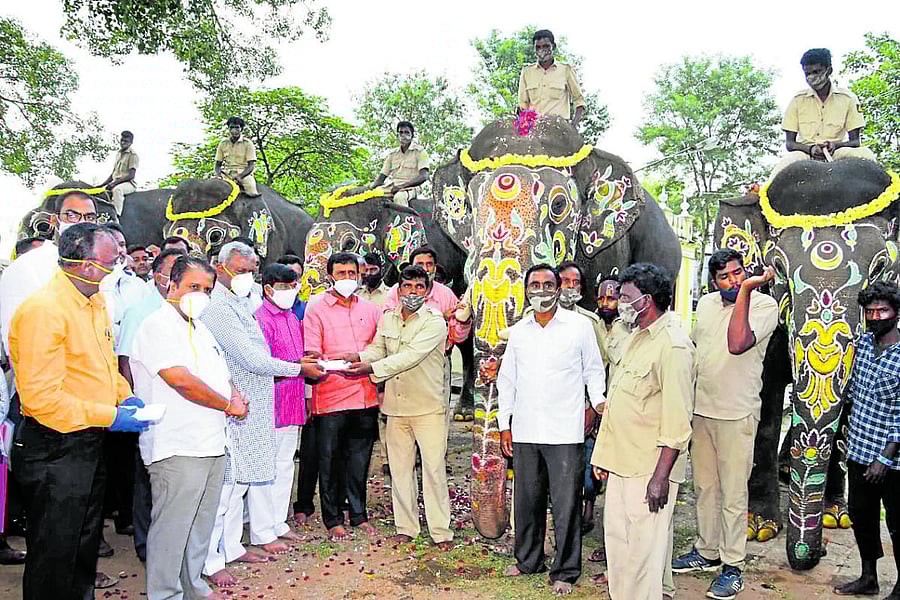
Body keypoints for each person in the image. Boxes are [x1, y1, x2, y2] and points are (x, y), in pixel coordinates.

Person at [9, 223, 151, 600]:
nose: (120, 265)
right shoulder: (44, 311)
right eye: (113, 260)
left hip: (87, 440)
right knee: (56, 549)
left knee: (83, 542)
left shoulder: (95, 302)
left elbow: (102, 364)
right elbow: (42, 400)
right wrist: (110, 415)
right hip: (53, 446)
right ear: (87, 265)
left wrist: (125, 397)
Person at [201, 242, 321, 587]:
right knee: (227, 488)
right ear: (220, 268)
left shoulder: (243, 299)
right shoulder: (216, 307)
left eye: (252, 270)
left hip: (254, 402)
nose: (248, 277)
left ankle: (233, 547)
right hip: (235, 403)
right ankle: (213, 559)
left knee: (241, 481)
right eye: (241, 271)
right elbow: (249, 357)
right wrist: (298, 369)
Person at [131, 255, 248, 600]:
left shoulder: (200, 327)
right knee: (172, 527)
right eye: (193, 286)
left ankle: (193, 587)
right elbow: (181, 380)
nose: (200, 294)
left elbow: (220, 374)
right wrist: (229, 404)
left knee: (199, 526)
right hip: (176, 444)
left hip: (211, 442)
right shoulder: (157, 325)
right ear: (172, 283)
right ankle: (165, 594)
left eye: (207, 289)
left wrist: (235, 395)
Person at [672, 250, 778, 600]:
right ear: (713, 281)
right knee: (704, 487)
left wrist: (747, 290)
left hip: (738, 413)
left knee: (733, 493)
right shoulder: (704, 304)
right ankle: (706, 551)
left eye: (739, 273)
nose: (733, 280)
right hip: (702, 410)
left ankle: (733, 565)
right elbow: (697, 352)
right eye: (725, 277)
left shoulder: (763, 306)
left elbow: (737, 344)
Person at [497, 263, 606, 595]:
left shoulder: (579, 327)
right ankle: (529, 560)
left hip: (565, 432)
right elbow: (508, 381)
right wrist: (505, 426)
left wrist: (597, 406)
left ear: (559, 289)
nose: (541, 290)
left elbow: (594, 371)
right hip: (527, 430)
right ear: (526, 290)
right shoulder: (519, 332)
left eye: (548, 284)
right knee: (527, 501)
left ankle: (566, 570)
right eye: (535, 285)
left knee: (565, 505)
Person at [592, 263, 694, 600]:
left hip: (648, 470)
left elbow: (678, 423)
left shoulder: (674, 346)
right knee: (619, 550)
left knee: (642, 559)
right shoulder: (636, 335)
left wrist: (660, 478)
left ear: (646, 300)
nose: (619, 302)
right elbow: (621, 400)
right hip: (622, 462)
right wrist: (602, 455)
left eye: (625, 296)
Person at [341, 265, 455, 549]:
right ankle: (407, 527)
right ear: (399, 289)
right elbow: (378, 348)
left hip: (428, 407)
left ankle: (441, 532)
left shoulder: (435, 321)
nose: (412, 292)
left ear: (427, 291)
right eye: (407, 287)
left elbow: (409, 357)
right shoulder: (388, 318)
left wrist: (370, 367)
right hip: (394, 408)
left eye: (419, 287)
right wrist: (357, 356)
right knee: (400, 470)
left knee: (433, 470)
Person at [302, 252, 382, 541]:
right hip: (331, 394)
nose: (347, 278)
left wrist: (365, 362)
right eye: (341, 273)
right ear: (330, 276)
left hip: (365, 396)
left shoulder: (372, 309)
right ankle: (333, 518)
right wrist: (321, 364)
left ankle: (359, 515)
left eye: (352, 273)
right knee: (331, 461)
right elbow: (311, 352)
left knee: (359, 461)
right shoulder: (316, 308)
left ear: (360, 275)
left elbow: (379, 347)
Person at [116, 247, 186, 562]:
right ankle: (147, 546)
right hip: (149, 406)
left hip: (179, 407)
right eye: (172, 273)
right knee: (146, 477)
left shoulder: (182, 309)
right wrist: (134, 401)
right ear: (158, 276)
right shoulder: (142, 308)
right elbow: (125, 358)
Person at [832, 281, 900, 599]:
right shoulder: (862, 345)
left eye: (882, 310)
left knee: (897, 523)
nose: (875, 316)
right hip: (859, 449)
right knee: (861, 515)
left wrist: (885, 457)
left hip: (892, 457)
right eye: (870, 311)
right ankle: (868, 577)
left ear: (896, 314)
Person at [255, 263, 307, 544]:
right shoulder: (261, 319)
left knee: (286, 464)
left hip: (293, 402)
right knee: (268, 467)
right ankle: (262, 530)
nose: (290, 292)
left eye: (292, 286)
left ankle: (278, 521)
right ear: (268, 289)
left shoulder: (290, 317)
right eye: (284, 287)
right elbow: (264, 365)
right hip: (271, 404)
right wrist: (301, 367)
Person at [772, 47, 878, 178]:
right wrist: (811, 149)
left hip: (838, 153)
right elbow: (790, 144)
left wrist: (834, 145)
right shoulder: (797, 100)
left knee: (866, 155)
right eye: (808, 74)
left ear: (829, 71)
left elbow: (855, 142)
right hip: (805, 154)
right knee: (780, 169)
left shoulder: (848, 99)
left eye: (816, 72)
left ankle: (887, 197)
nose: (811, 77)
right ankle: (762, 198)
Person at [518, 29, 585, 125]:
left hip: (560, 129)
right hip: (535, 129)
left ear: (553, 46)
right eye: (538, 47)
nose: (541, 50)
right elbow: (523, 104)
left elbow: (579, 100)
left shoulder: (566, 70)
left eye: (546, 46)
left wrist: (573, 125)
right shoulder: (527, 72)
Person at [370, 121, 429, 206]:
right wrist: (369, 190)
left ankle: (403, 219)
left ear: (412, 135)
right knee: (374, 195)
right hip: (393, 186)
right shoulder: (392, 154)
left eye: (406, 132)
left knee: (399, 197)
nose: (403, 135)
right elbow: (381, 177)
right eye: (401, 132)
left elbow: (424, 176)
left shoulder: (420, 152)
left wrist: (402, 187)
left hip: (411, 188)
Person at [215, 116, 260, 197]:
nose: (234, 130)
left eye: (237, 128)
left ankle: (258, 209)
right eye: (231, 127)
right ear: (228, 128)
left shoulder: (247, 143)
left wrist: (240, 176)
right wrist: (218, 176)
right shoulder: (223, 143)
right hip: (226, 174)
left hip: (243, 174)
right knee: (210, 188)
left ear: (241, 129)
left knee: (251, 190)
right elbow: (218, 165)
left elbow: (251, 165)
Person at [100, 130, 139, 215]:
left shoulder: (133, 155)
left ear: (131, 142)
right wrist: (101, 185)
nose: (123, 143)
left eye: (126, 141)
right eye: (122, 140)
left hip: (128, 183)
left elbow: (131, 175)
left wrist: (114, 184)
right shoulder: (118, 154)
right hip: (116, 182)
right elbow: (113, 174)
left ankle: (116, 215)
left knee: (118, 190)